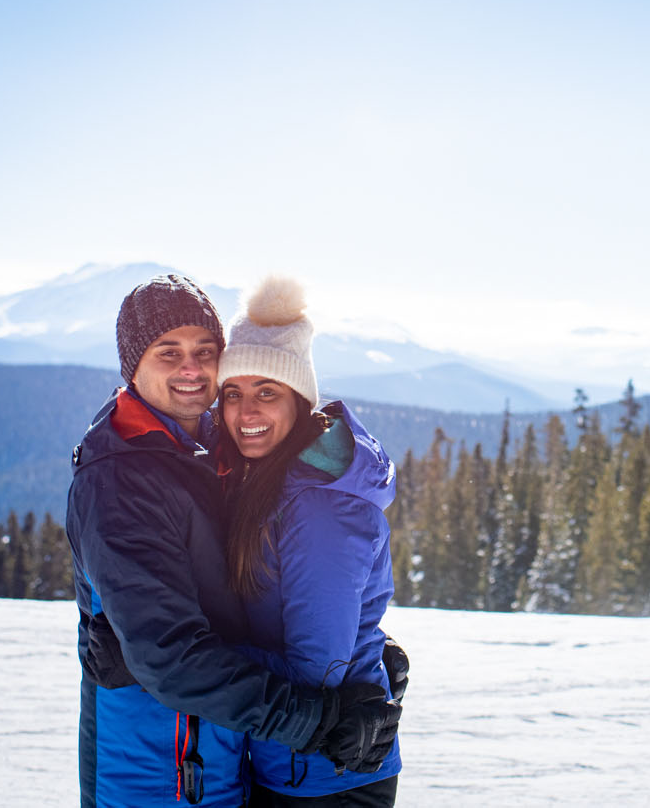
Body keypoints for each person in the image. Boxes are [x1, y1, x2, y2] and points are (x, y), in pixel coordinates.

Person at [66, 274, 400, 808]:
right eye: (167, 352)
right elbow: (171, 658)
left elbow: (290, 593)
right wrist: (146, 656)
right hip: (157, 777)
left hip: (227, 765)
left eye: (205, 351)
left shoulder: (213, 452)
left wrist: (373, 659)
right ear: (134, 366)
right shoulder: (123, 481)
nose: (191, 369)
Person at [214, 276, 401, 806]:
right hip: (293, 760)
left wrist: (190, 651)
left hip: (331, 774)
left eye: (266, 393)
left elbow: (317, 670)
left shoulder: (318, 504)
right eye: (233, 393)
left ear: (300, 401)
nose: (246, 413)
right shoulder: (272, 479)